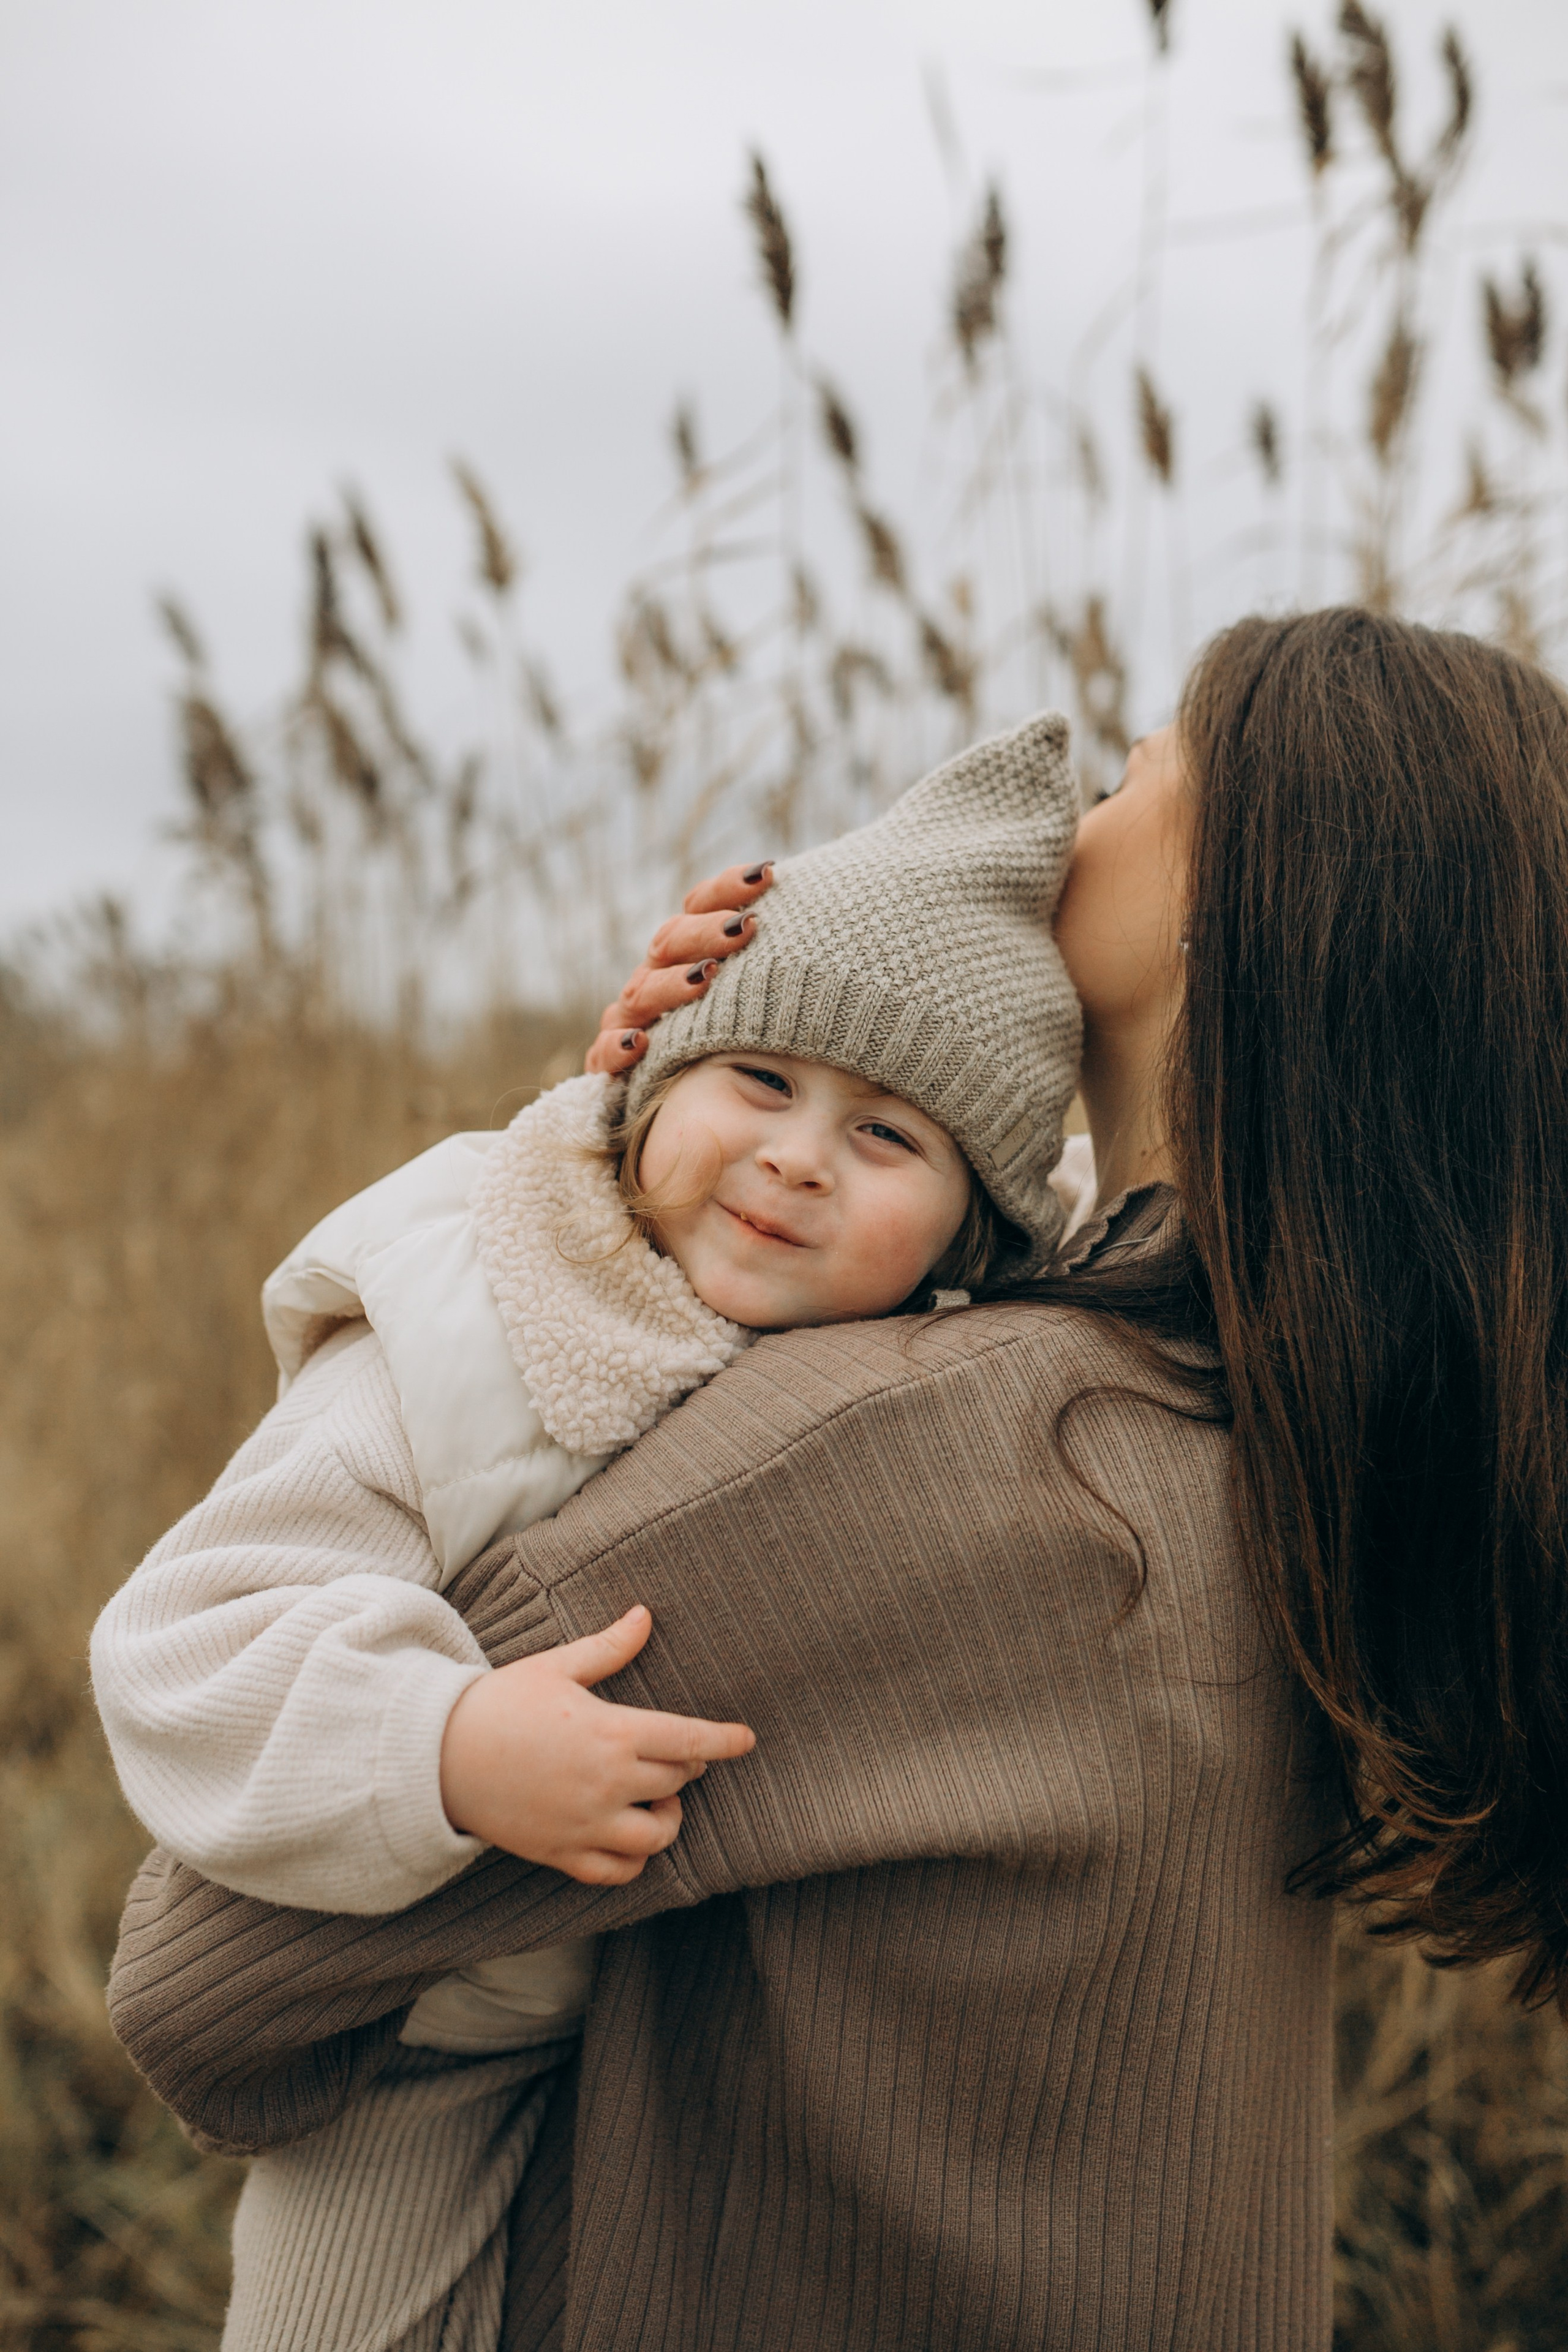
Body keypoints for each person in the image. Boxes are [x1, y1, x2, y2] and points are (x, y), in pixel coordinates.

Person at [106, 609, 1568, 2352]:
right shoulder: (1301, 1452)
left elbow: (203, 1983)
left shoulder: (968, 1457)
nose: (1073, 820)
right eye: (766, 1089)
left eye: (1128, 776)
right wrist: (631, 1141)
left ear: (1228, 898)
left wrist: (623, 1184)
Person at [91, 714, 1084, 2352]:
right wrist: (448, 1739)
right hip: (424, 2040)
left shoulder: (922, 1355)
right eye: (761, 1077)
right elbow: (188, 1645)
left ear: (975, 1231)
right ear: (647, 1074)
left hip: (704, 2028)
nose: (795, 1156)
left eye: (887, 1136)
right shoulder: (473, 1309)